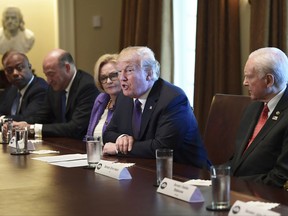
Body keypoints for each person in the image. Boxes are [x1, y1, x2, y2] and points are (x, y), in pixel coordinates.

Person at [103, 46, 210, 168]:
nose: (122, 77)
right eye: (119, 71)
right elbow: (108, 133)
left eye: (129, 70)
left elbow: (162, 147)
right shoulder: (124, 97)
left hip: (185, 174)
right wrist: (122, 138)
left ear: (149, 74)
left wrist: (119, 148)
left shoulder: (173, 99)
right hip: (144, 170)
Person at [228, 47, 288, 187]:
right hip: (236, 189)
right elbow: (237, 160)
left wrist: (238, 185)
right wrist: (216, 176)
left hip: (264, 197)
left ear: (268, 80)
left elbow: (280, 177)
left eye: (249, 76)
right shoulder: (254, 106)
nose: (244, 82)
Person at [13, 48, 99, 139]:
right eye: (46, 75)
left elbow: (75, 127)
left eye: (51, 74)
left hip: (81, 146)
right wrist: (22, 125)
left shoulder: (87, 86)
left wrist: (32, 128)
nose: (48, 81)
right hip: (62, 144)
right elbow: (42, 117)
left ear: (67, 68)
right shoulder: (54, 87)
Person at [0, 51, 48, 121]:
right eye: (9, 70)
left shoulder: (41, 89)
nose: (15, 73)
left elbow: (26, 118)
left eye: (19, 67)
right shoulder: (11, 89)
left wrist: (2, 119)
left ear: (29, 67)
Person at [86, 53, 121, 140]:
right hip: (95, 152)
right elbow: (88, 136)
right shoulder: (101, 99)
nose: (108, 81)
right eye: (103, 78)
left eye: (113, 75)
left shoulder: (130, 102)